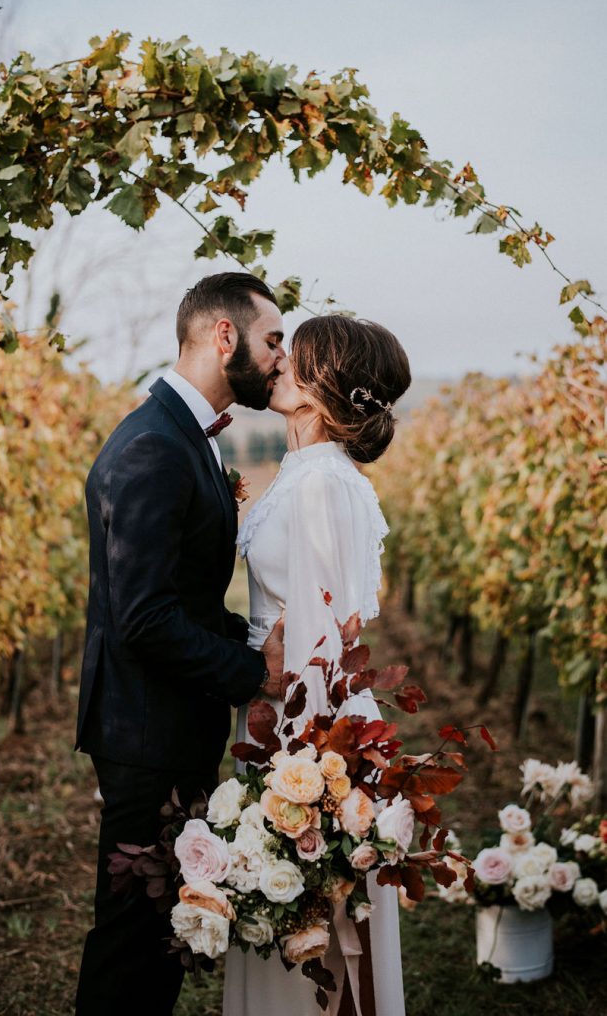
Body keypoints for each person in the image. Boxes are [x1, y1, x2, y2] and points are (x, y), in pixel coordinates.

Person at [74, 272, 288, 1016]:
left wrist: (243, 641)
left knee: (155, 934)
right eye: (271, 340)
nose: (279, 358)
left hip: (164, 723)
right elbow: (144, 617)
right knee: (130, 943)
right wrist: (252, 673)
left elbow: (186, 599)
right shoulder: (153, 447)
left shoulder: (181, 436)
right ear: (222, 336)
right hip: (146, 733)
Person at [223, 314, 412, 1016]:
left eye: (290, 355)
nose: (275, 362)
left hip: (306, 722)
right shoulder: (306, 471)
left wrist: (302, 763)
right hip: (289, 707)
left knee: (309, 927)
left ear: (318, 384)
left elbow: (323, 637)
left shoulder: (321, 482)